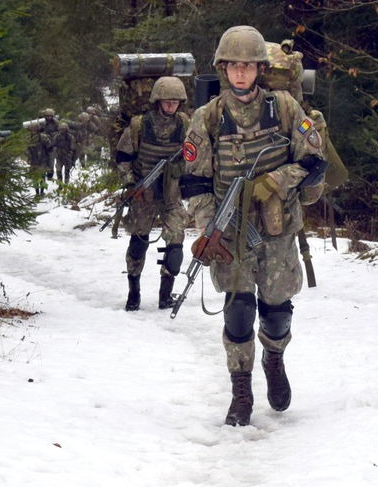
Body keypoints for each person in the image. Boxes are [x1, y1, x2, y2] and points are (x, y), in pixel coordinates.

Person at [179, 25, 326, 427]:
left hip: (278, 231)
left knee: (276, 311)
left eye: (248, 66)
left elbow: (314, 163)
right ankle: (240, 388)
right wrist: (209, 230)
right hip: (231, 235)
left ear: (259, 68)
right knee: (239, 311)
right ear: (222, 69)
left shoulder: (285, 109)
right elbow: (195, 182)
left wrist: (276, 181)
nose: (240, 74)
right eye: (233, 66)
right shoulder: (206, 118)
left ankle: (274, 359)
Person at [114, 76, 190, 311]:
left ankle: (165, 296)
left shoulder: (185, 124)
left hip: (172, 194)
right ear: (158, 100)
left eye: (175, 101)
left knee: (176, 244)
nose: (171, 106)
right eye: (167, 101)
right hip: (143, 194)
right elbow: (123, 158)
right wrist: (130, 185)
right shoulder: (139, 126)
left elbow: (196, 155)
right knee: (138, 244)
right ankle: (133, 292)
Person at [26, 123, 48, 196]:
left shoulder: (43, 137)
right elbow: (26, 149)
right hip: (33, 160)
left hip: (42, 159)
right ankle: (37, 193)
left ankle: (42, 192)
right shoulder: (28, 138)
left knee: (42, 176)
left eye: (35, 130)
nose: (33, 131)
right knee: (35, 178)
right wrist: (28, 157)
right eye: (32, 130)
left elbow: (49, 146)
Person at [39, 108, 58, 180]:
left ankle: (50, 174)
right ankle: (42, 174)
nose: (48, 117)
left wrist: (53, 138)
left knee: (51, 160)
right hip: (42, 144)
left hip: (52, 144)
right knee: (42, 160)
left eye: (50, 116)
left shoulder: (55, 122)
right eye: (47, 116)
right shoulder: (41, 122)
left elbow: (59, 131)